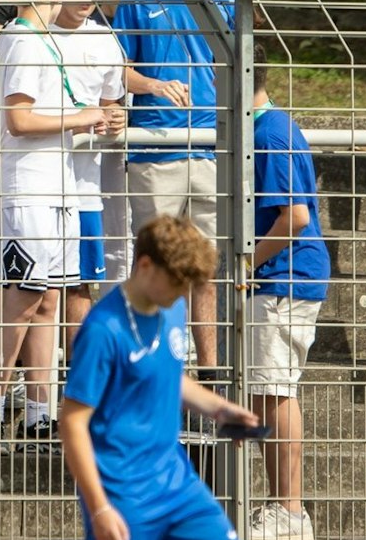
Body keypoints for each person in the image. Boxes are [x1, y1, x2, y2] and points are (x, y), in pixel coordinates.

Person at [0, 0, 124, 451]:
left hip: (58, 186)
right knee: (21, 302)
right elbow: (18, 121)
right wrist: (81, 117)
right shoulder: (21, 39)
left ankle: (40, 408)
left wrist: (97, 117)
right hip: (28, 190)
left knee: (48, 302)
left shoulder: (39, 38)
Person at [61, 216, 262, 540]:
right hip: (121, 495)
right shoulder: (102, 330)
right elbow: (72, 422)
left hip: (176, 483)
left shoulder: (172, 307)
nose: (184, 292)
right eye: (177, 282)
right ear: (145, 265)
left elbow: (166, 376)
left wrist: (219, 409)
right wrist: (99, 507)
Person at [113, 0, 230, 370]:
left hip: (213, 148)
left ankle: (209, 374)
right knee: (157, 268)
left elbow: (248, 68)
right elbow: (116, 69)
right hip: (153, 146)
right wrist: (153, 84)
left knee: (207, 273)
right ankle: (156, 372)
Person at [247, 60, 328, 540]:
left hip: (284, 278)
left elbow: (294, 216)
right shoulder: (271, 127)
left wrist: (245, 263)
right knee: (267, 389)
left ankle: (289, 512)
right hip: (280, 277)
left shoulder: (271, 133)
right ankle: (284, 509)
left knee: (275, 391)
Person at [53, 0, 129, 329]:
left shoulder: (105, 39)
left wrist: (116, 119)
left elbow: (111, 103)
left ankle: (74, 377)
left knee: (81, 284)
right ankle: (36, 381)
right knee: (37, 288)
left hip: (85, 184)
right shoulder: (30, 32)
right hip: (40, 183)